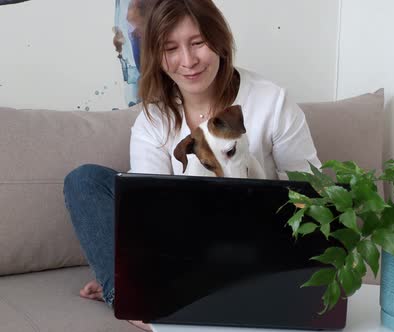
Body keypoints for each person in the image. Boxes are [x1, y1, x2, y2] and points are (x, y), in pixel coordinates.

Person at [63, 0, 320, 330]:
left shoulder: (272, 102)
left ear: (219, 39)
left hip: (260, 245)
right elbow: (148, 217)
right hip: (185, 252)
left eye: (197, 42)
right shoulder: (153, 121)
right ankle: (129, 298)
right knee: (85, 181)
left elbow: (315, 196)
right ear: (158, 55)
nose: (188, 61)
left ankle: (153, 300)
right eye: (171, 48)